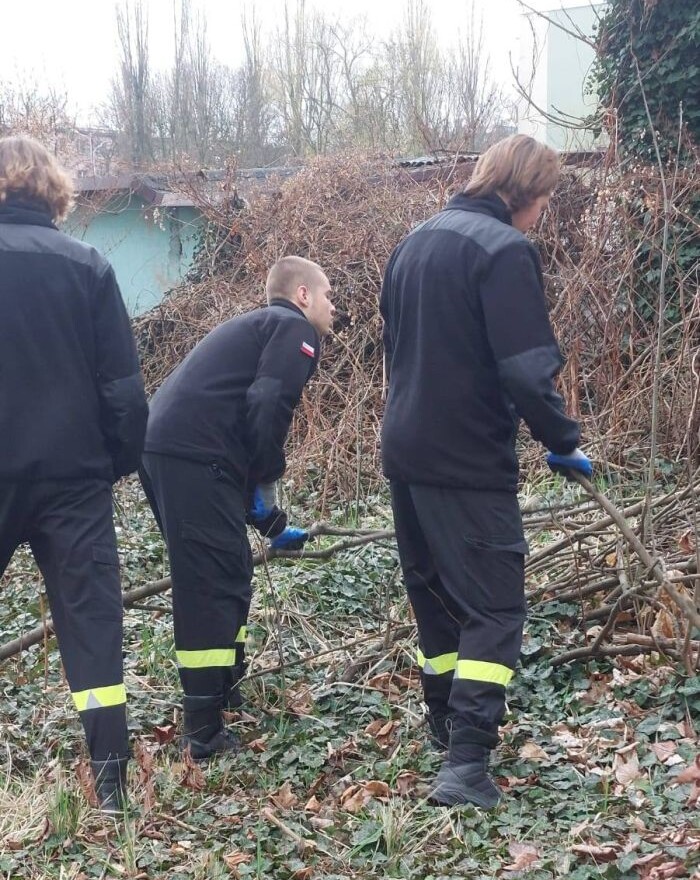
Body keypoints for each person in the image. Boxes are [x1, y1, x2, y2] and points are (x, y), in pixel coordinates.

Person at [380, 134, 592, 811]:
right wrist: (562, 439)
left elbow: (398, 345)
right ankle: (466, 765)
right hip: (467, 457)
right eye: (545, 201)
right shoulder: (504, 252)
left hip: (406, 451)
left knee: (438, 600)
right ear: (525, 192)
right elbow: (526, 368)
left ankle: (443, 726)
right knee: (495, 608)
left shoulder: (414, 243)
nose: (542, 216)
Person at [0, 135, 148, 813]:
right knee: (92, 625)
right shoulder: (87, 264)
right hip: (73, 476)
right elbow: (121, 385)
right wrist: (116, 459)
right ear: (52, 189)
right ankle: (112, 784)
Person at [140, 256, 335, 760]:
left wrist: (268, 520)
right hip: (192, 455)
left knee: (228, 570)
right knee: (209, 580)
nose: (333, 306)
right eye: (328, 295)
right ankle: (203, 733)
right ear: (303, 296)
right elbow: (269, 403)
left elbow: (245, 420)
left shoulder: (258, 327)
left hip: (181, 452)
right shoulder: (294, 329)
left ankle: (225, 695)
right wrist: (268, 477)